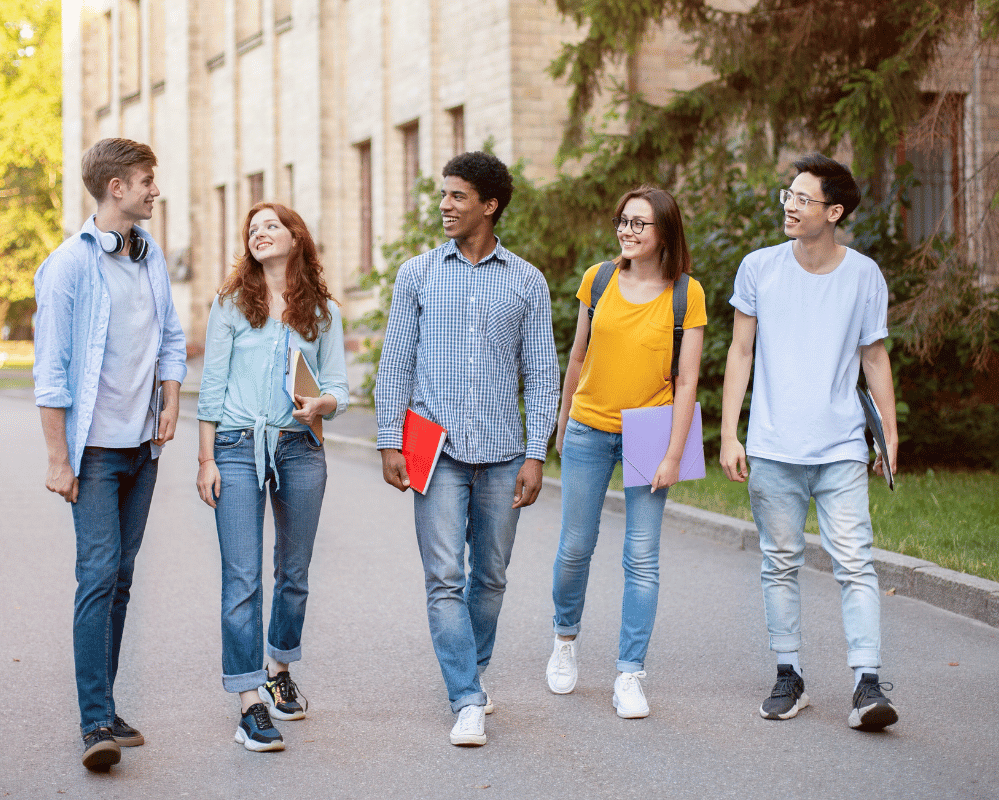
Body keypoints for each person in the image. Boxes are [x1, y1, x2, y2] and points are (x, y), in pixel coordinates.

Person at [374, 151, 560, 747]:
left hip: (505, 450)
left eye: (457, 196)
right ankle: (466, 697)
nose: (445, 205)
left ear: (490, 204)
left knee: (492, 575)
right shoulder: (417, 274)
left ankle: (470, 670)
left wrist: (537, 452)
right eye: (443, 195)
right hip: (435, 445)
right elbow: (395, 363)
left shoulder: (527, 280)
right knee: (445, 575)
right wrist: (389, 441)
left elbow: (543, 372)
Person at [719, 153, 900, 731]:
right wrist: (729, 433)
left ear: (835, 210)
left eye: (802, 198)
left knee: (856, 564)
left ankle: (867, 685)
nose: (790, 206)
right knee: (779, 564)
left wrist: (890, 437)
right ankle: (788, 674)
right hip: (772, 448)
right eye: (787, 196)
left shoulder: (864, 275)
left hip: (842, 448)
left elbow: (875, 356)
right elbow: (740, 352)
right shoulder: (758, 268)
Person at [33, 138, 187, 770]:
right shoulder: (69, 266)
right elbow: (51, 373)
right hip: (94, 453)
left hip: (142, 448)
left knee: (121, 580)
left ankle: (108, 704)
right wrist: (55, 459)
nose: (156, 189)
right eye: (147, 180)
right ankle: (94, 719)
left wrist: (171, 398)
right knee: (97, 577)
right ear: (116, 188)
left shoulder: (147, 256)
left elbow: (171, 334)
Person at [546, 187, 706, 718]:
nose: (627, 231)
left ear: (664, 231)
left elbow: (686, 384)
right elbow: (577, 355)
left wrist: (673, 454)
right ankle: (565, 640)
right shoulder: (599, 279)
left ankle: (630, 673)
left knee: (641, 558)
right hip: (590, 427)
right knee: (575, 546)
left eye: (639, 224)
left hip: (650, 430)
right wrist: (564, 420)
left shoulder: (687, 294)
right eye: (623, 221)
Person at [196, 202, 348, 752]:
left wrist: (321, 404)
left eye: (271, 225)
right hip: (237, 446)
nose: (260, 233)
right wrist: (205, 458)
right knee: (242, 579)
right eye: (253, 228)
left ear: (294, 236)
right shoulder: (233, 303)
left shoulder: (323, 311)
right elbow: (212, 385)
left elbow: (339, 390)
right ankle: (248, 702)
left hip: (301, 448)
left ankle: (279, 667)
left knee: (294, 570)